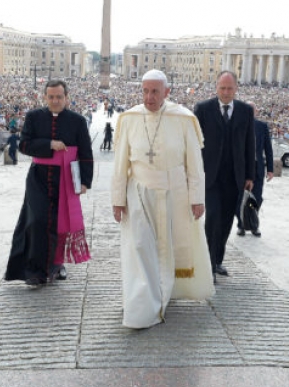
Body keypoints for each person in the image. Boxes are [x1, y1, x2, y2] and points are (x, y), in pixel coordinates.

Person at [111, 70, 213, 329]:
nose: (149, 97)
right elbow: (120, 163)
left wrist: (197, 198)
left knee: (167, 248)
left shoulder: (184, 119)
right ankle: (143, 301)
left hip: (174, 193)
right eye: (145, 91)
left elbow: (195, 164)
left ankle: (164, 292)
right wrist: (117, 199)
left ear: (167, 92)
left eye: (155, 91)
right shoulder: (129, 118)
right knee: (140, 246)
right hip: (139, 193)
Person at [4, 80, 93, 286]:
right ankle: (34, 270)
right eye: (51, 97)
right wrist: (49, 145)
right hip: (39, 177)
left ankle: (56, 264)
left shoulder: (77, 121)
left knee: (60, 223)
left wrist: (85, 182)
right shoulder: (34, 117)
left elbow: (86, 153)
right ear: (45, 97)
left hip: (66, 177)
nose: (55, 100)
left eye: (59, 97)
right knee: (37, 221)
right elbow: (24, 145)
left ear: (66, 97)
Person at [194, 71, 255, 282]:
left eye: (230, 88)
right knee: (213, 219)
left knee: (227, 220)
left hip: (235, 177)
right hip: (210, 176)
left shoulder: (246, 111)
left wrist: (250, 175)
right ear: (216, 88)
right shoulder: (203, 109)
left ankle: (218, 260)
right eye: (222, 88)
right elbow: (194, 144)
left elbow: (250, 144)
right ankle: (207, 265)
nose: (226, 92)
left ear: (236, 88)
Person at [237, 103, 273, 237]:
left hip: (257, 169)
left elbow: (268, 148)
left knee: (256, 198)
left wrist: (270, 169)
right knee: (241, 199)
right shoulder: (237, 125)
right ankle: (241, 225)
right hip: (242, 169)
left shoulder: (262, 126)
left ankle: (253, 224)